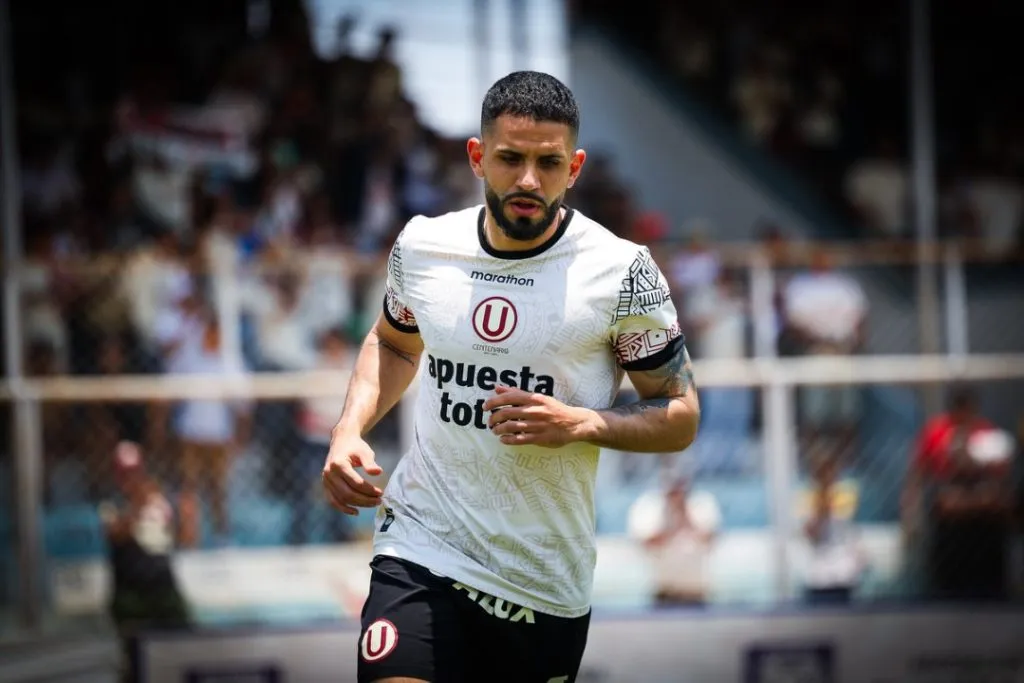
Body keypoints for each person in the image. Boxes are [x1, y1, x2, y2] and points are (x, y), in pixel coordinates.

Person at [321, 71, 701, 683]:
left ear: (573, 167)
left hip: (540, 578)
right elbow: (393, 343)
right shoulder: (423, 247)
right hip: (420, 544)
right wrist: (348, 431)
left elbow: (680, 414)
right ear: (478, 157)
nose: (529, 180)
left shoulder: (622, 273)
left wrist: (579, 423)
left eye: (548, 163)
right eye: (510, 158)